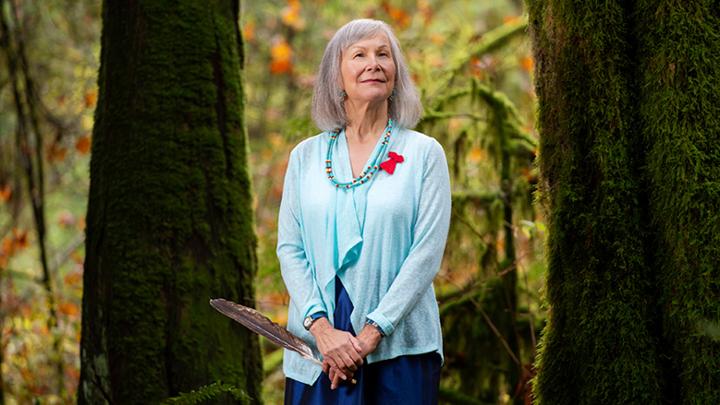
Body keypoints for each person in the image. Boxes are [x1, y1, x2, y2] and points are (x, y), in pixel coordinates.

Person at [277, 18, 451, 404]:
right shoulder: (306, 156)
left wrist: (372, 333)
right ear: (336, 77)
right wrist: (322, 330)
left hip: (398, 348)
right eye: (359, 55)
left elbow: (426, 254)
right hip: (317, 350)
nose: (374, 63)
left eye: (383, 54)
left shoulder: (424, 154)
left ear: (396, 73)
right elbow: (290, 249)